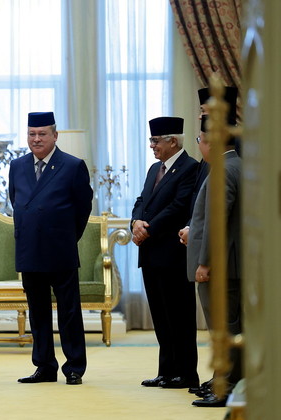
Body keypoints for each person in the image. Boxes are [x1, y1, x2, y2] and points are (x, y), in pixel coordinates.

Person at [8, 112, 93, 385]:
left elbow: (83, 208)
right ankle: (44, 366)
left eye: (42, 134)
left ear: (55, 136)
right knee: (38, 312)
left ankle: (74, 367)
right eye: (32, 134)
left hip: (60, 249)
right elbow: (16, 201)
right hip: (30, 248)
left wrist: (67, 236)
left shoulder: (72, 165)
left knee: (69, 311)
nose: (36, 139)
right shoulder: (17, 166)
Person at [131, 116, 199, 389]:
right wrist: (135, 222)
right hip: (150, 254)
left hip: (173, 253)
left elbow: (179, 207)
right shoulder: (153, 169)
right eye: (151, 140)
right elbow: (141, 201)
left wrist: (146, 229)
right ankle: (166, 370)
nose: (152, 146)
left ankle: (185, 373)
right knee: (160, 314)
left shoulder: (190, 168)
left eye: (155, 141)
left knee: (179, 315)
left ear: (173, 141)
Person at [187, 116, 242, 407]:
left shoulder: (223, 170)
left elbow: (217, 221)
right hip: (234, 264)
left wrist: (204, 262)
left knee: (223, 329)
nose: (199, 146)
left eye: (200, 140)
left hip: (221, 267)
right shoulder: (239, 165)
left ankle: (226, 387)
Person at [179, 86, 238, 247]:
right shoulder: (209, 152)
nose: (199, 117)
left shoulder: (236, 149)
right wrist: (190, 226)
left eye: (203, 111)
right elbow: (199, 195)